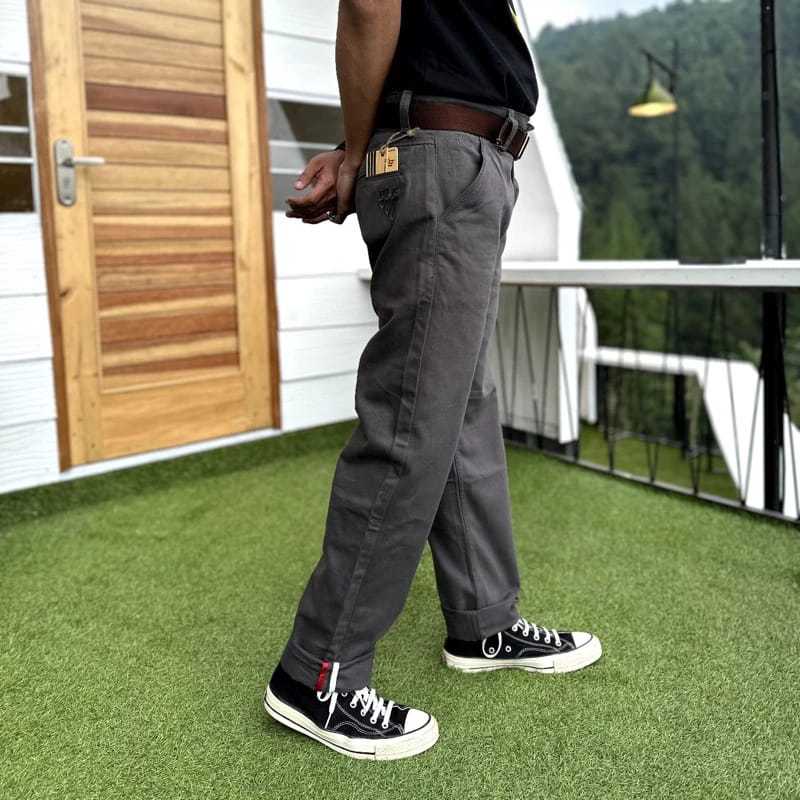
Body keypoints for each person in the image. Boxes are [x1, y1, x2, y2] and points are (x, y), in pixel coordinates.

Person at [263, 0, 601, 761]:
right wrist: (358, 154)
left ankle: (483, 622)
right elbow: (369, 6)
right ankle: (317, 671)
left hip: (471, 161)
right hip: (445, 159)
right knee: (413, 417)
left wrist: (363, 149)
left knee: (461, 408)